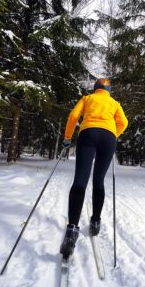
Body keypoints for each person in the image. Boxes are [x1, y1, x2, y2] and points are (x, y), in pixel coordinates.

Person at [60, 78, 128, 258]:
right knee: (98, 181)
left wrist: (67, 138)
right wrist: (113, 134)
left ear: (96, 88)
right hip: (108, 138)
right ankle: (96, 222)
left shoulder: (87, 99)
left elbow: (73, 116)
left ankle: (72, 230)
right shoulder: (114, 103)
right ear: (108, 90)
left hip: (88, 133)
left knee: (80, 181)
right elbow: (124, 123)